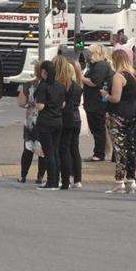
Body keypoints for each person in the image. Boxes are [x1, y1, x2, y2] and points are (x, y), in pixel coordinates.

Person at [103, 49, 136, 194]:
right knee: (130, 147)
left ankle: (119, 181)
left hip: (118, 115)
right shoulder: (133, 75)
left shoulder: (118, 76)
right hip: (132, 114)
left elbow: (116, 98)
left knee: (119, 148)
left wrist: (106, 95)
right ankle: (131, 179)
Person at [33, 60, 66, 190]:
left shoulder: (43, 86)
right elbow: (63, 104)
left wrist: (37, 104)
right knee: (56, 151)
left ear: (44, 71)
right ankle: (57, 180)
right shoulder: (60, 85)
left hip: (46, 122)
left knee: (49, 152)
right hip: (58, 121)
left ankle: (51, 182)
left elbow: (40, 106)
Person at [54, 56, 83, 189]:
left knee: (62, 149)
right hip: (76, 119)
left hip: (65, 119)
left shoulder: (60, 86)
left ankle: (63, 179)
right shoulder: (76, 86)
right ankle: (77, 179)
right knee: (74, 149)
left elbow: (62, 105)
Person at [82, 44, 113, 161]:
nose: (87, 54)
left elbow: (95, 82)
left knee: (98, 128)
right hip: (92, 102)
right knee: (96, 128)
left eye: (89, 52)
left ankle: (99, 154)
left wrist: (81, 77)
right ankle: (100, 152)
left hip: (97, 103)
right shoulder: (93, 65)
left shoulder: (101, 65)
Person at [16, 64, 45, 184]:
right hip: (44, 119)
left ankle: (23, 176)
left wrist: (29, 105)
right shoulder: (48, 84)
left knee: (28, 148)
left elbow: (21, 102)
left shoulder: (29, 84)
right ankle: (40, 177)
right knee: (42, 150)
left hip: (30, 120)